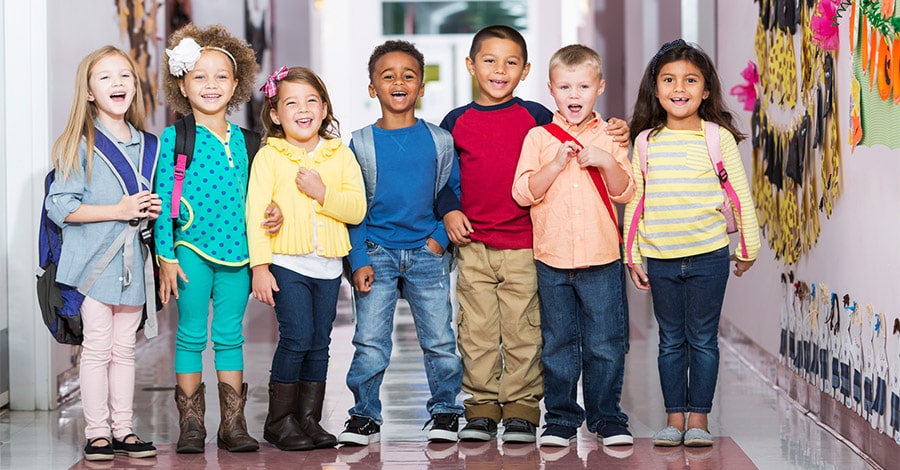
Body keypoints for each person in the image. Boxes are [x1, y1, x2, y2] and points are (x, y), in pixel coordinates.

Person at [436, 25, 631, 444]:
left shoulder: (539, 118)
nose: (499, 70)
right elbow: (441, 180)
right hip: (474, 245)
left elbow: (581, 128)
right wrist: (449, 211)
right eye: (489, 60)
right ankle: (482, 406)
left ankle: (524, 408)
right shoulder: (455, 122)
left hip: (528, 245)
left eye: (511, 62)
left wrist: (619, 131)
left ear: (524, 71)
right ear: (471, 65)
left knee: (526, 330)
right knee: (477, 330)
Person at [622, 39, 761, 447]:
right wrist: (631, 256)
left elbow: (741, 194)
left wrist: (748, 248)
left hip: (709, 256)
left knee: (701, 338)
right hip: (661, 257)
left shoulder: (717, 138)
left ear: (705, 90)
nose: (678, 87)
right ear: (656, 88)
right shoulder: (646, 141)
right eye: (668, 79)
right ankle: (674, 418)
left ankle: (698, 419)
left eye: (690, 79)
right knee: (670, 340)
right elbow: (637, 200)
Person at [155, 24, 275, 453]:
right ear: (182, 85)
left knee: (229, 335)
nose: (211, 84)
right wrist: (165, 256)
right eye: (200, 76)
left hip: (238, 254)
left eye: (221, 76)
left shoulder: (250, 142)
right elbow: (165, 204)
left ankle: (233, 423)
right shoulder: (176, 137)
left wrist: (273, 216)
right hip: (190, 250)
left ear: (237, 84)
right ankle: (191, 423)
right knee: (189, 334)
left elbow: (260, 200)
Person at [338, 39, 465, 446]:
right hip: (376, 252)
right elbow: (354, 207)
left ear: (422, 87)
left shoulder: (439, 140)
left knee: (440, 340)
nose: (399, 82)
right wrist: (358, 257)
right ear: (372, 88)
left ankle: (446, 409)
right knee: (371, 342)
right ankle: (364, 415)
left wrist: (440, 240)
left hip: (427, 254)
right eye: (387, 76)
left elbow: (453, 192)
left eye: (408, 75)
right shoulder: (359, 144)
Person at [512, 44, 636, 447]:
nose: (574, 95)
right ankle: (562, 418)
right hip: (553, 259)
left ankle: (607, 417)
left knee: (605, 344)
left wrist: (606, 159)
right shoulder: (538, 138)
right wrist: (553, 165)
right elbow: (522, 192)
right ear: (551, 89)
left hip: (602, 257)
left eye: (583, 86)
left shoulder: (612, 136)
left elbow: (626, 191)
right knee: (558, 343)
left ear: (599, 87)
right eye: (565, 86)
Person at [45, 45, 160, 461]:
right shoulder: (79, 142)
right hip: (92, 264)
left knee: (125, 349)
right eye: (106, 77)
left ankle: (124, 429)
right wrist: (119, 210)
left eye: (125, 75)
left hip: (132, 266)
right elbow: (60, 206)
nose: (118, 83)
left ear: (135, 85)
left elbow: (145, 208)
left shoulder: (151, 144)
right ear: (90, 91)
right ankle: (97, 433)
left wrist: (152, 208)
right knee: (96, 347)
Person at [247, 66, 366, 451]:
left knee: (319, 342)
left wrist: (321, 192)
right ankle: (279, 421)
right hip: (287, 262)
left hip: (328, 265)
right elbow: (256, 212)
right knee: (296, 337)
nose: (303, 109)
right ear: (276, 113)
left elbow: (356, 209)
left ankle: (308, 419)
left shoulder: (340, 155)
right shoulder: (270, 156)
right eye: (291, 102)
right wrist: (260, 267)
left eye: (312, 100)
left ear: (325, 107)